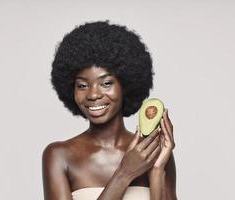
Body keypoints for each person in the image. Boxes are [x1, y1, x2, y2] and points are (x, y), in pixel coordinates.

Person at [42, 20, 177, 200]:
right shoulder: (59, 155)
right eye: (82, 85)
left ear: (126, 85)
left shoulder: (152, 152)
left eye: (106, 83)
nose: (93, 94)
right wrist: (124, 173)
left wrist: (157, 170)